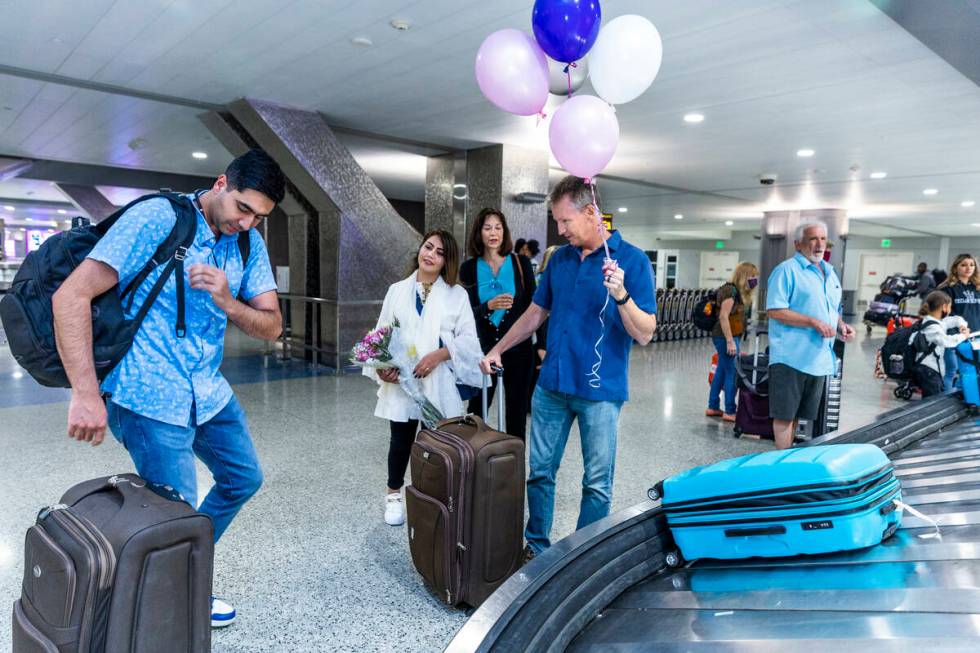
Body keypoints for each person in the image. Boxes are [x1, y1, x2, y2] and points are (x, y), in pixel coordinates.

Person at [53, 149, 287, 628]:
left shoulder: (248, 245)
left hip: (208, 389)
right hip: (148, 393)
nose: (247, 223)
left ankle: (176, 573)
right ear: (222, 183)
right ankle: (162, 603)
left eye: (259, 217)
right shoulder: (159, 219)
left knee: (243, 479)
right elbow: (71, 295)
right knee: (171, 514)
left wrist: (227, 300)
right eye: (244, 208)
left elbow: (271, 327)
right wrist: (85, 393)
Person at [479, 176, 657, 560]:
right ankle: (537, 547)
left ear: (591, 212)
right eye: (556, 221)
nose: (558, 230)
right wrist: (498, 348)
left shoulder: (632, 260)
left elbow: (645, 333)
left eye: (564, 221)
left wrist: (621, 296)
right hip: (552, 385)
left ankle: (582, 557)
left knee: (596, 483)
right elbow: (535, 312)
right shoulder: (559, 259)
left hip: (600, 392)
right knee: (540, 472)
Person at [366, 230, 483, 527]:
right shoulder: (397, 290)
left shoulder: (457, 295)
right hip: (403, 382)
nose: (430, 254)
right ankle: (393, 494)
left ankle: (438, 499)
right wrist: (383, 366)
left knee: (440, 443)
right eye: (428, 247)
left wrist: (440, 355)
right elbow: (382, 333)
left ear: (447, 261)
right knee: (400, 440)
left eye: (440, 252)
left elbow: (469, 341)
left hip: (439, 382)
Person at [766, 221, 855, 450]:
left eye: (823, 239)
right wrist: (812, 322)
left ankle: (789, 456)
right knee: (785, 414)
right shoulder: (786, 271)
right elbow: (775, 310)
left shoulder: (830, 272)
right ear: (798, 244)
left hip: (818, 359)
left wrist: (841, 325)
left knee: (799, 414)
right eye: (813, 239)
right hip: (791, 357)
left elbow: (831, 308)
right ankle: (781, 462)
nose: (819, 244)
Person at [458, 209, 536, 438]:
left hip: (519, 350)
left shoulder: (521, 263)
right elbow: (463, 315)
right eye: (487, 227)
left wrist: (541, 345)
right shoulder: (469, 268)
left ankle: (513, 469)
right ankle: (474, 465)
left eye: (498, 227)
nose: (494, 233)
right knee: (477, 414)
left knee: (516, 415)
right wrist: (488, 307)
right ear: (479, 233)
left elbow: (535, 308)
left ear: (505, 231)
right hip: (483, 351)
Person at [705, 262, 759, 421]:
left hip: (728, 335)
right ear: (745, 276)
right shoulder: (730, 291)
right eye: (753, 277)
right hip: (725, 336)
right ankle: (730, 410)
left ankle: (713, 407)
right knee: (732, 372)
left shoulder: (737, 292)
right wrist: (730, 341)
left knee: (721, 371)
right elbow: (723, 316)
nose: (755, 280)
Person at [915, 291, 969, 397]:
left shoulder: (938, 321)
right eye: (950, 307)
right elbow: (946, 341)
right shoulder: (931, 326)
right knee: (931, 401)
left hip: (932, 370)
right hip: (928, 370)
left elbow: (955, 319)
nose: (950, 310)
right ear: (944, 307)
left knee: (933, 399)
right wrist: (963, 336)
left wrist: (962, 326)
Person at [939, 254, 980, 390]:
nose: (968, 268)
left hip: (975, 337)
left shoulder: (977, 288)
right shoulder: (947, 289)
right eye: (963, 265)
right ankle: (945, 401)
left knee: (970, 371)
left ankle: (962, 397)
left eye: (971, 265)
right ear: (956, 268)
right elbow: (942, 315)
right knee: (951, 371)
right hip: (954, 336)